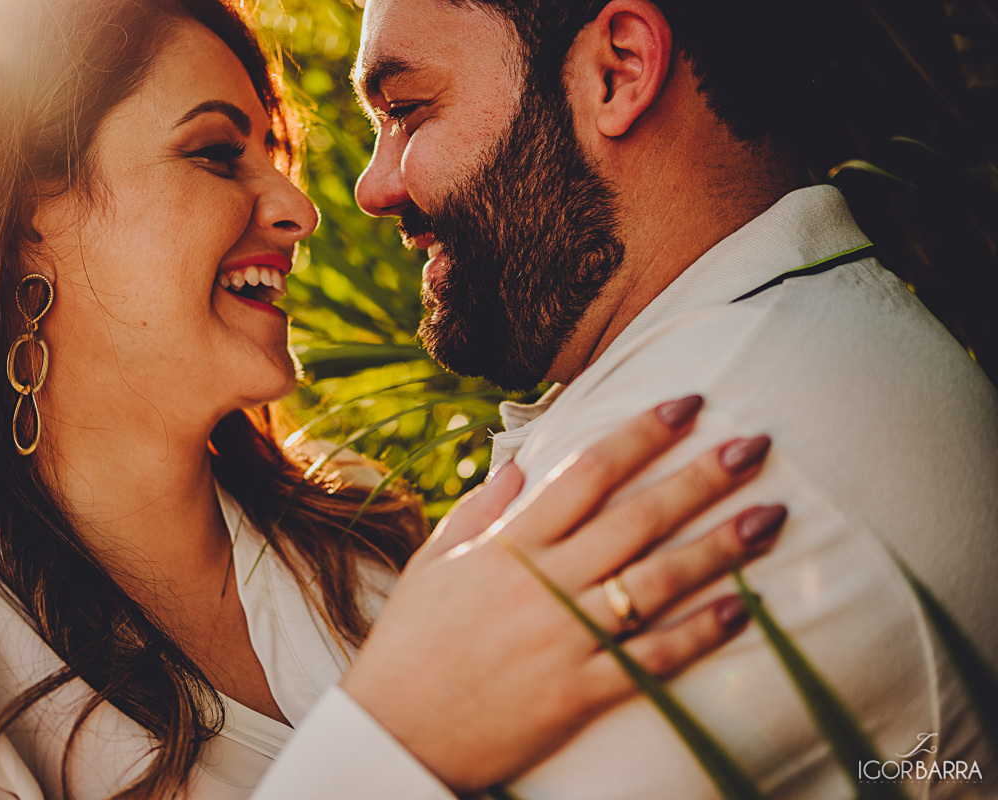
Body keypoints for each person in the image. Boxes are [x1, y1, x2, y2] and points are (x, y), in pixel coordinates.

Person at [0, 1, 787, 798]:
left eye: (275, 153)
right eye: (218, 153)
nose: (300, 208)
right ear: (23, 219)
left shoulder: (358, 540)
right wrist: (393, 740)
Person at [351, 0, 998, 797]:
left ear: (617, 71)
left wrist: (376, 730)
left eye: (407, 110)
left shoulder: (691, 473)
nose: (373, 187)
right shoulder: (814, 330)